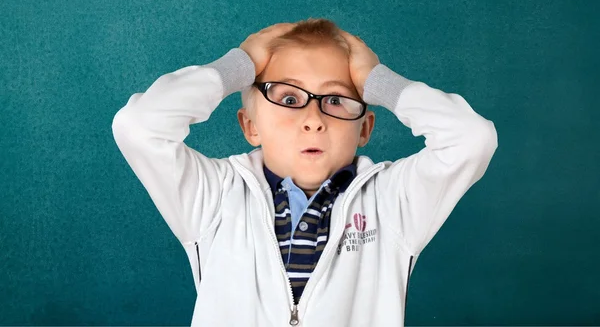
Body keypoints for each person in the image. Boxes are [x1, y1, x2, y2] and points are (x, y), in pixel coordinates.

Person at [111, 18, 498, 326]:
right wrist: (238, 65)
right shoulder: (215, 197)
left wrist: (378, 80)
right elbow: (139, 126)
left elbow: (472, 139)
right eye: (289, 98)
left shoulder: (392, 202)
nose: (313, 120)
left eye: (335, 99)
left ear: (364, 128)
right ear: (251, 126)